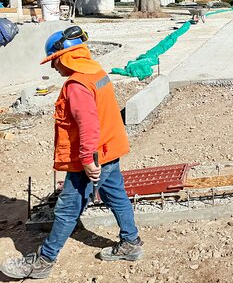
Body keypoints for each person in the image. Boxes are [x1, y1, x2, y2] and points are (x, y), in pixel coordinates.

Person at [0, 26, 143, 280]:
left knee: (67, 208)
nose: (54, 68)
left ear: (65, 56)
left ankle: (44, 260)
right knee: (117, 196)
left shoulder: (76, 85)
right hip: (109, 150)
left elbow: (88, 125)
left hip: (92, 158)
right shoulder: (96, 72)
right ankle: (131, 242)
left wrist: (87, 160)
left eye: (54, 61)